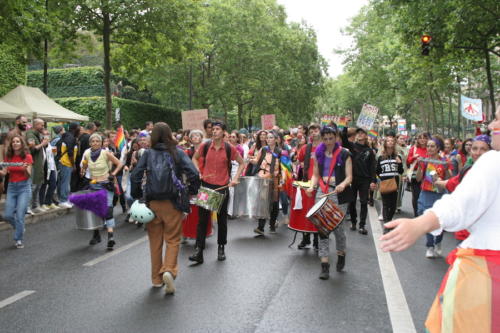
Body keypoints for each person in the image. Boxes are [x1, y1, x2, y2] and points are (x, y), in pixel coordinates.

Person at [380, 112, 500, 333]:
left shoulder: (492, 161)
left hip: (485, 274)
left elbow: (461, 204)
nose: (492, 124)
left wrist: (420, 224)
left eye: (498, 118)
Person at [131, 122, 200, 294]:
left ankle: (156, 279)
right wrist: (191, 191)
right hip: (172, 202)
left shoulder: (147, 153)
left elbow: (135, 176)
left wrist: (138, 196)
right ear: (170, 135)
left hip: (152, 203)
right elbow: (193, 173)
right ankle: (168, 270)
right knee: (173, 239)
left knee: (155, 242)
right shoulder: (178, 152)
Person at [189, 120, 245, 263]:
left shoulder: (229, 148)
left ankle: (221, 248)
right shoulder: (205, 145)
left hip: (222, 187)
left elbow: (242, 163)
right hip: (206, 186)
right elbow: (194, 159)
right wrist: (199, 172)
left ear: (223, 132)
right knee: (202, 220)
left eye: (217, 129)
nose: (214, 131)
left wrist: (235, 179)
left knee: (222, 220)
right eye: (213, 129)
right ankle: (199, 251)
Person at [306, 125, 353, 279]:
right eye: (325, 139)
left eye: (331, 138)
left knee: (338, 229)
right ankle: (324, 265)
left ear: (336, 137)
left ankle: (341, 253)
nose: (328, 141)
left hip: (339, 194)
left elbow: (349, 176)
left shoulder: (345, 154)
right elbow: (315, 175)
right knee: (322, 228)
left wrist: (343, 184)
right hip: (322, 192)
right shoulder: (318, 154)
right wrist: (311, 187)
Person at [80, 133, 123, 250]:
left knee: (108, 211)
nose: (95, 143)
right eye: (92, 141)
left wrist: (112, 174)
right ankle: (96, 235)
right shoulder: (87, 154)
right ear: (90, 143)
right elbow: (83, 166)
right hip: (94, 186)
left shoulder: (105, 153)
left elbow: (119, 164)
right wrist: (83, 170)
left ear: (100, 143)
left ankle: (111, 237)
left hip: (106, 185)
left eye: (97, 141)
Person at [415, 135, 451, 258]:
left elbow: (449, 179)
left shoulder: (444, 161)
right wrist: (420, 167)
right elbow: (418, 178)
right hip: (426, 193)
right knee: (427, 220)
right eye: (428, 146)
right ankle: (430, 245)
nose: (429, 148)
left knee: (440, 220)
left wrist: (447, 169)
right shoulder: (424, 160)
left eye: (432, 146)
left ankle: (438, 241)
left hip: (439, 194)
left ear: (438, 148)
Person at [341, 127, 376, 235]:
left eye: (362, 133)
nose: (360, 134)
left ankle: (362, 225)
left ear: (366, 136)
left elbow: (372, 167)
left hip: (365, 180)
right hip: (352, 178)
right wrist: (345, 126)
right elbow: (343, 138)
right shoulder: (352, 146)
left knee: (364, 202)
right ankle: (353, 221)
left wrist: (373, 181)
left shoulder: (370, 151)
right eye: (358, 133)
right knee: (351, 202)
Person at [0, 135, 33, 248]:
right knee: (8, 215)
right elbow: (4, 173)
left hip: (24, 187)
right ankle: (19, 227)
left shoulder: (27, 157)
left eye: (17, 141)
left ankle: (18, 239)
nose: (15, 143)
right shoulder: (8, 157)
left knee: (19, 215)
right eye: (13, 142)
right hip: (12, 188)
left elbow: (28, 175)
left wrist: (25, 169)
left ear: (21, 143)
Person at [250, 131, 284, 234]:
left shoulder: (281, 152)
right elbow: (257, 161)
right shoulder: (263, 149)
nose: (268, 139)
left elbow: (285, 168)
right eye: (267, 138)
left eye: (271, 138)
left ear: (276, 139)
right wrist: (249, 160)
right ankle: (260, 227)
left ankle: (272, 224)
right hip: (262, 179)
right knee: (263, 202)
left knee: (274, 203)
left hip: (274, 179)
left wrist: (282, 181)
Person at [295, 123, 322, 249]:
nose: (313, 132)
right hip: (306, 184)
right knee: (306, 213)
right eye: (311, 130)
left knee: (318, 213)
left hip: (321, 185)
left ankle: (317, 240)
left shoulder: (325, 147)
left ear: (320, 132)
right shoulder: (306, 148)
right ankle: (306, 239)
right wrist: (300, 164)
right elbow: (297, 159)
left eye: (316, 130)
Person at [375, 135, 404, 230]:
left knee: (393, 205)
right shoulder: (381, 157)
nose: (390, 142)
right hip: (385, 183)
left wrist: (399, 163)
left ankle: (389, 221)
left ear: (394, 143)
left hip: (394, 184)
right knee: (386, 204)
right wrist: (382, 178)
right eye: (388, 141)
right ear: (385, 143)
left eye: (392, 141)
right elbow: (377, 170)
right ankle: (387, 224)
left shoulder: (398, 156)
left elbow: (401, 171)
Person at [26, 119, 49, 213]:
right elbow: (31, 149)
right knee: (33, 186)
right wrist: (42, 143)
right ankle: (27, 207)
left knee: (38, 185)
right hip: (33, 164)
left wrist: (45, 136)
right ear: (35, 125)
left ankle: (35, 205)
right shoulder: (30, 134)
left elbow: (45, 145)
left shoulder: (37, 134)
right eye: (41, 125)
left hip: (39, 164)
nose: (43, 127)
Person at [57, 122, 80, 208]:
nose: (80, 130)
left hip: (63, 162)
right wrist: (73, 165)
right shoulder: (70, 137)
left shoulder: (67, 136)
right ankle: (63, 200)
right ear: (75, 129)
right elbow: (70, 152)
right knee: (65, 182)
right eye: (79, 128)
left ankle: (63, 199)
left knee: (63, 181)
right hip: (66, 162)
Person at [406, 132, 429, 217]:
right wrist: (414, 157)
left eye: (424, 138)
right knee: (416, 196)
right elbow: (408, 161)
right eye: (420, 138)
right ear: (418, 139)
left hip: (427, 175)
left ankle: (424, 214)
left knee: (426, 195)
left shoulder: (430, 148)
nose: (422, 140)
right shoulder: (414, 148)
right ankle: (416, 214)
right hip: (415, 174)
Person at [39, 128, 58, 210]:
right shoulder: (41, 145)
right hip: (43, 168)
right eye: (45, 134)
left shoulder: (50, 144)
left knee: (53, 185)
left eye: (48, 134)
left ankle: (48, 201)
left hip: (51, 167)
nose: (47, 136)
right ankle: (42, 203)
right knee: (43, 186)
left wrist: (55, 152)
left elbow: (53, 155)